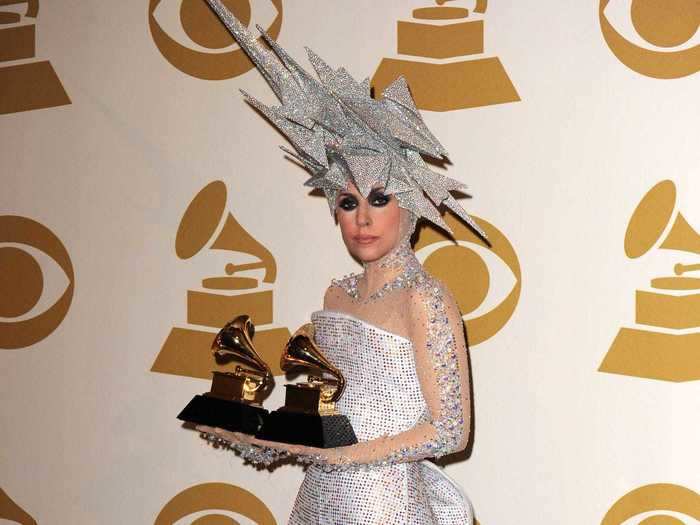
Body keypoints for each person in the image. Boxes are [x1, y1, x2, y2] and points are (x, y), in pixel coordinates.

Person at [197, 1, 487, 522]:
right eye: (348, 203)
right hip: (318, 504)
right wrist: (248, 434)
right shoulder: (336, 296)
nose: (362, 219)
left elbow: (449, 431)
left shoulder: (424, 298)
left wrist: (342, 458)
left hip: (386, 507)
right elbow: (315, 421)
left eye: (379, 198)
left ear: (410, 202)